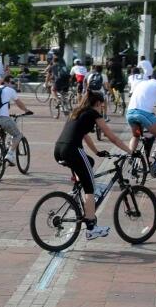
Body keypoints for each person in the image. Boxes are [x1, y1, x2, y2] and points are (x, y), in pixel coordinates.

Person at [54, 92, 133, 241]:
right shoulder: (93, 113)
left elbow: (85, 135)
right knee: (90, 188)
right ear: (98, 103)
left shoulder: (78, 111)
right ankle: (91, 229)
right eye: (103, 104)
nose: (104, 106)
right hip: (73, 150)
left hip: (59, 150)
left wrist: (96, 152)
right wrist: (131, 152)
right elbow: (112, 137)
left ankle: (76, 193)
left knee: (89, 161)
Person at [0, 74, 33, 165]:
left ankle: (1, 151)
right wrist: (27, 110)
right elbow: (19, 104)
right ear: (6, 82)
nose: (13, 84)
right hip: (2, 119)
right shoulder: (10, 90)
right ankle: (10, 155)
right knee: (18, 135)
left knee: (4, 132)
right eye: (12, 82)